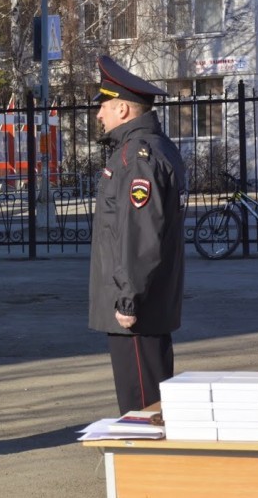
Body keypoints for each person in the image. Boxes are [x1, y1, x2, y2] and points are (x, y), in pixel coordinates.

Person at [88, 56, 187, 415]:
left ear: (124, 109)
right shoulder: (149, 149)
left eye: (104, 106)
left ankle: (151, 469)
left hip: (136, 308)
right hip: (144, 300)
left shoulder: (138, 157)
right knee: (150, 400)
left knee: (142, 407)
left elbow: (140, 234)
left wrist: (128, 299)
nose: (99, 115)